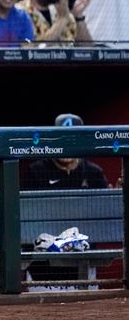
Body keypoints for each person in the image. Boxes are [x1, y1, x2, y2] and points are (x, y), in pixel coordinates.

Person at [23, 113, 109, 291]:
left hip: (83, 268)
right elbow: (24, 221)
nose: (66, 146)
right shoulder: (36, 171)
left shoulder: (94, 173)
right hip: (44, 272)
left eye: (72, 139)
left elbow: (106, 219)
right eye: (62, 139)